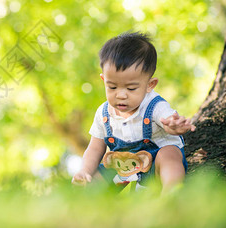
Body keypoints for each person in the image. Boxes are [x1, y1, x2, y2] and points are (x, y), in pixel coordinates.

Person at [72, 32, 195, 193]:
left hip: (154, 166)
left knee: (169, 154)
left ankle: (171, 190)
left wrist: (174, 126)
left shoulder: (154, 105)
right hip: (122, 170)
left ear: (150, 85)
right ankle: (97, 204)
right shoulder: (104, 113)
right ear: (104, 80)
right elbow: (95, 148)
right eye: (112, 87)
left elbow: (168, 120)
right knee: (93, 177)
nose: (121, 95)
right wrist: (85, 171)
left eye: (131, 88)